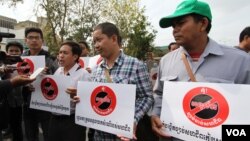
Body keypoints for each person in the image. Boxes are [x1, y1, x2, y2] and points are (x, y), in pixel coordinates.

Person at [150, 0, 250, 141]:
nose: (174, 30)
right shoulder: (166, 61)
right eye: (173, 26)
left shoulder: (241, 61)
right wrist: (156, 113)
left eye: (181, 23)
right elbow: (159, 93)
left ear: (203, 23)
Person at [68, 22, 154, 141]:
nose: (96, 45)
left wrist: (131, 120)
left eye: (99, 40)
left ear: (114, 39)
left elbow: (147, 97)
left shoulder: (136, 65)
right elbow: (96, 98)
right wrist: (83, 99)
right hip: (100, 136)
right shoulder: (96, 70)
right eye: (94, 42)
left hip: (124, 136)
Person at [48, 41, 90, 141]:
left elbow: (88, 100)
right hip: (54, 118)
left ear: (75, 57)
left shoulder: (84, 74)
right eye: (60, 53)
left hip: (73, 121)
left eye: (65, 53)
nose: (61, 56)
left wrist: (78, 95)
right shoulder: (58, 71)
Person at [22, 27, 58, 141]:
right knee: (30, 134)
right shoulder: (21, 59)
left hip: (45, 103)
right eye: (30, 38)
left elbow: (58, 79)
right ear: (25, 40)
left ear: (42, 41)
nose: (34, 40)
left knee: (48, 134)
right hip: (26, 102)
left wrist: (47, 75)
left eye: (37, 38)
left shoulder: (51, 59)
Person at [1, 41, 24, 141]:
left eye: (16, 51)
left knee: (17, 127)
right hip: (4, 103)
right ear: (7, 52)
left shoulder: (26, 64)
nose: (14, 53)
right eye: (11, 51)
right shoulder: (2, 65)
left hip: (19, 102)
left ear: (21, 52)